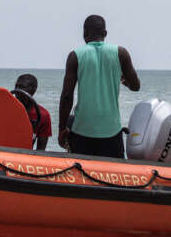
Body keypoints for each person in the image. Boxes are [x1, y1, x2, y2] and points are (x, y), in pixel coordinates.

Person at [58, 14, 140, 158]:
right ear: (105, 33)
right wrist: (123, 80)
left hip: (82, 131)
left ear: (84, 33)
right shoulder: (121, 53)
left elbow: (67, 96)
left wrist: (61, 129)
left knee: (81, 176)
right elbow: (135, 86)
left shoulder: (75, 56)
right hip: (112, 132)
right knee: (114, 177)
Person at [10, 73, 52, 151]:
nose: (17, 90)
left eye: (22, 87)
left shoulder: (43, 115)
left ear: (33, 89)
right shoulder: (7, 109)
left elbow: (41, 149)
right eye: (16, 86)